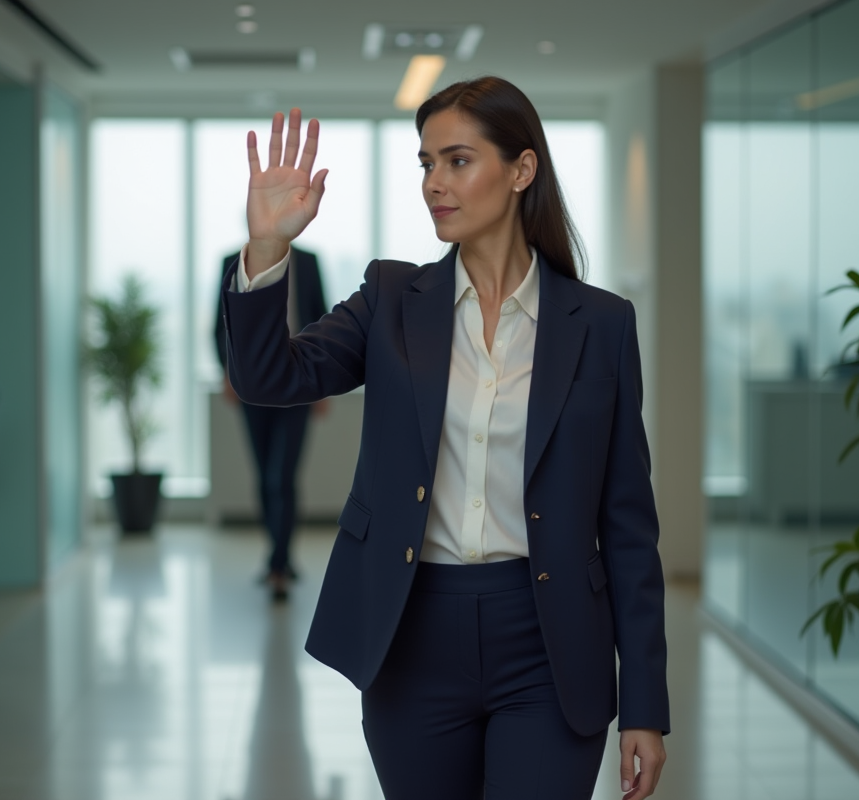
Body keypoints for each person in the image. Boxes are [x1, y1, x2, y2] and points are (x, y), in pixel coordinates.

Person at [219, 76, 668, 800]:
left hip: (549, 643)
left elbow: (627, 526)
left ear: (522, 170)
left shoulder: (602, 324)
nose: (435, 183)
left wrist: (645, 704)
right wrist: (267, 247)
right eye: (426, 164)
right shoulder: (393, 300)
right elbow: (273, 376)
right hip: (412, 634)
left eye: (458, 161)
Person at [213, 245, 328, 601]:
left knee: (283, 475)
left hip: (298, 385)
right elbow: (221, 326)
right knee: (264, 476)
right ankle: (277, 554)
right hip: (252, 388)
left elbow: (320, 319)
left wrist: (322, 385)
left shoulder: (308, 262)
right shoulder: (233, 263)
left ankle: (279, 564)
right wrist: (229, 374)